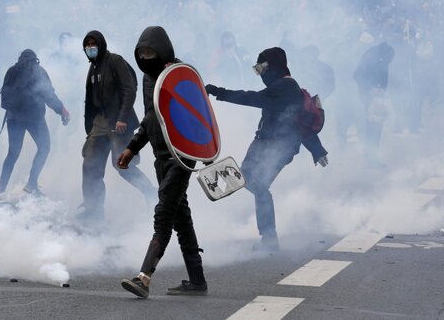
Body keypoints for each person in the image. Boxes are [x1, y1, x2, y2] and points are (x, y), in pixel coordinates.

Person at [206, 47, 328, 251]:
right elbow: (300, 122)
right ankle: (265, 235)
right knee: (252, 183)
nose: (261, 74)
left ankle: (269, 238)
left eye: (262, 68)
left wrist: (218, 92)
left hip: (276, 146)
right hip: (270, 144)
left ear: (273, 66)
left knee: (256, 184)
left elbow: (251, 98)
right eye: (257, 69)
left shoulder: (285, 86)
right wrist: (317, 150)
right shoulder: (287, 86)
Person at [117, 26, 207, 298]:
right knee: (181, 218)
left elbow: (198, 117)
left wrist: (196, 152)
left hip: (181, 156)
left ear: (164, 50)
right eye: (142, 53)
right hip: (160, 158)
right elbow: (150, 119)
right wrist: (132, 147)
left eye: (151, 52)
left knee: (164, 214)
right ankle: (197, 279)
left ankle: (143, 277)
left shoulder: (179, 75)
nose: (146, 58)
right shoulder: (148, 79)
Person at [78, 30, 156, 222]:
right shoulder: (93, 67)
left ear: (101, 44)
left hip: (118, 121)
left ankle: (152, 194)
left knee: (122, 165)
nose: (90, 48)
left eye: (93, 44)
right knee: (90, 165)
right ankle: (93, 210)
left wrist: (122, 117)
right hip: (100, 121)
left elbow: (129, 89)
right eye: (87, 45)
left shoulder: (115, 61)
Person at [0, 49, 70, 196]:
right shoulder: (39, 71)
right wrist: (62, 110)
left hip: (14, 117)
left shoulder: (11, 71)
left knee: (13, 153)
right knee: (44, 147)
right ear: (35, 60)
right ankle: (31, 184)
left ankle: (0, 189)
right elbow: (49, 95)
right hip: (34, 118)